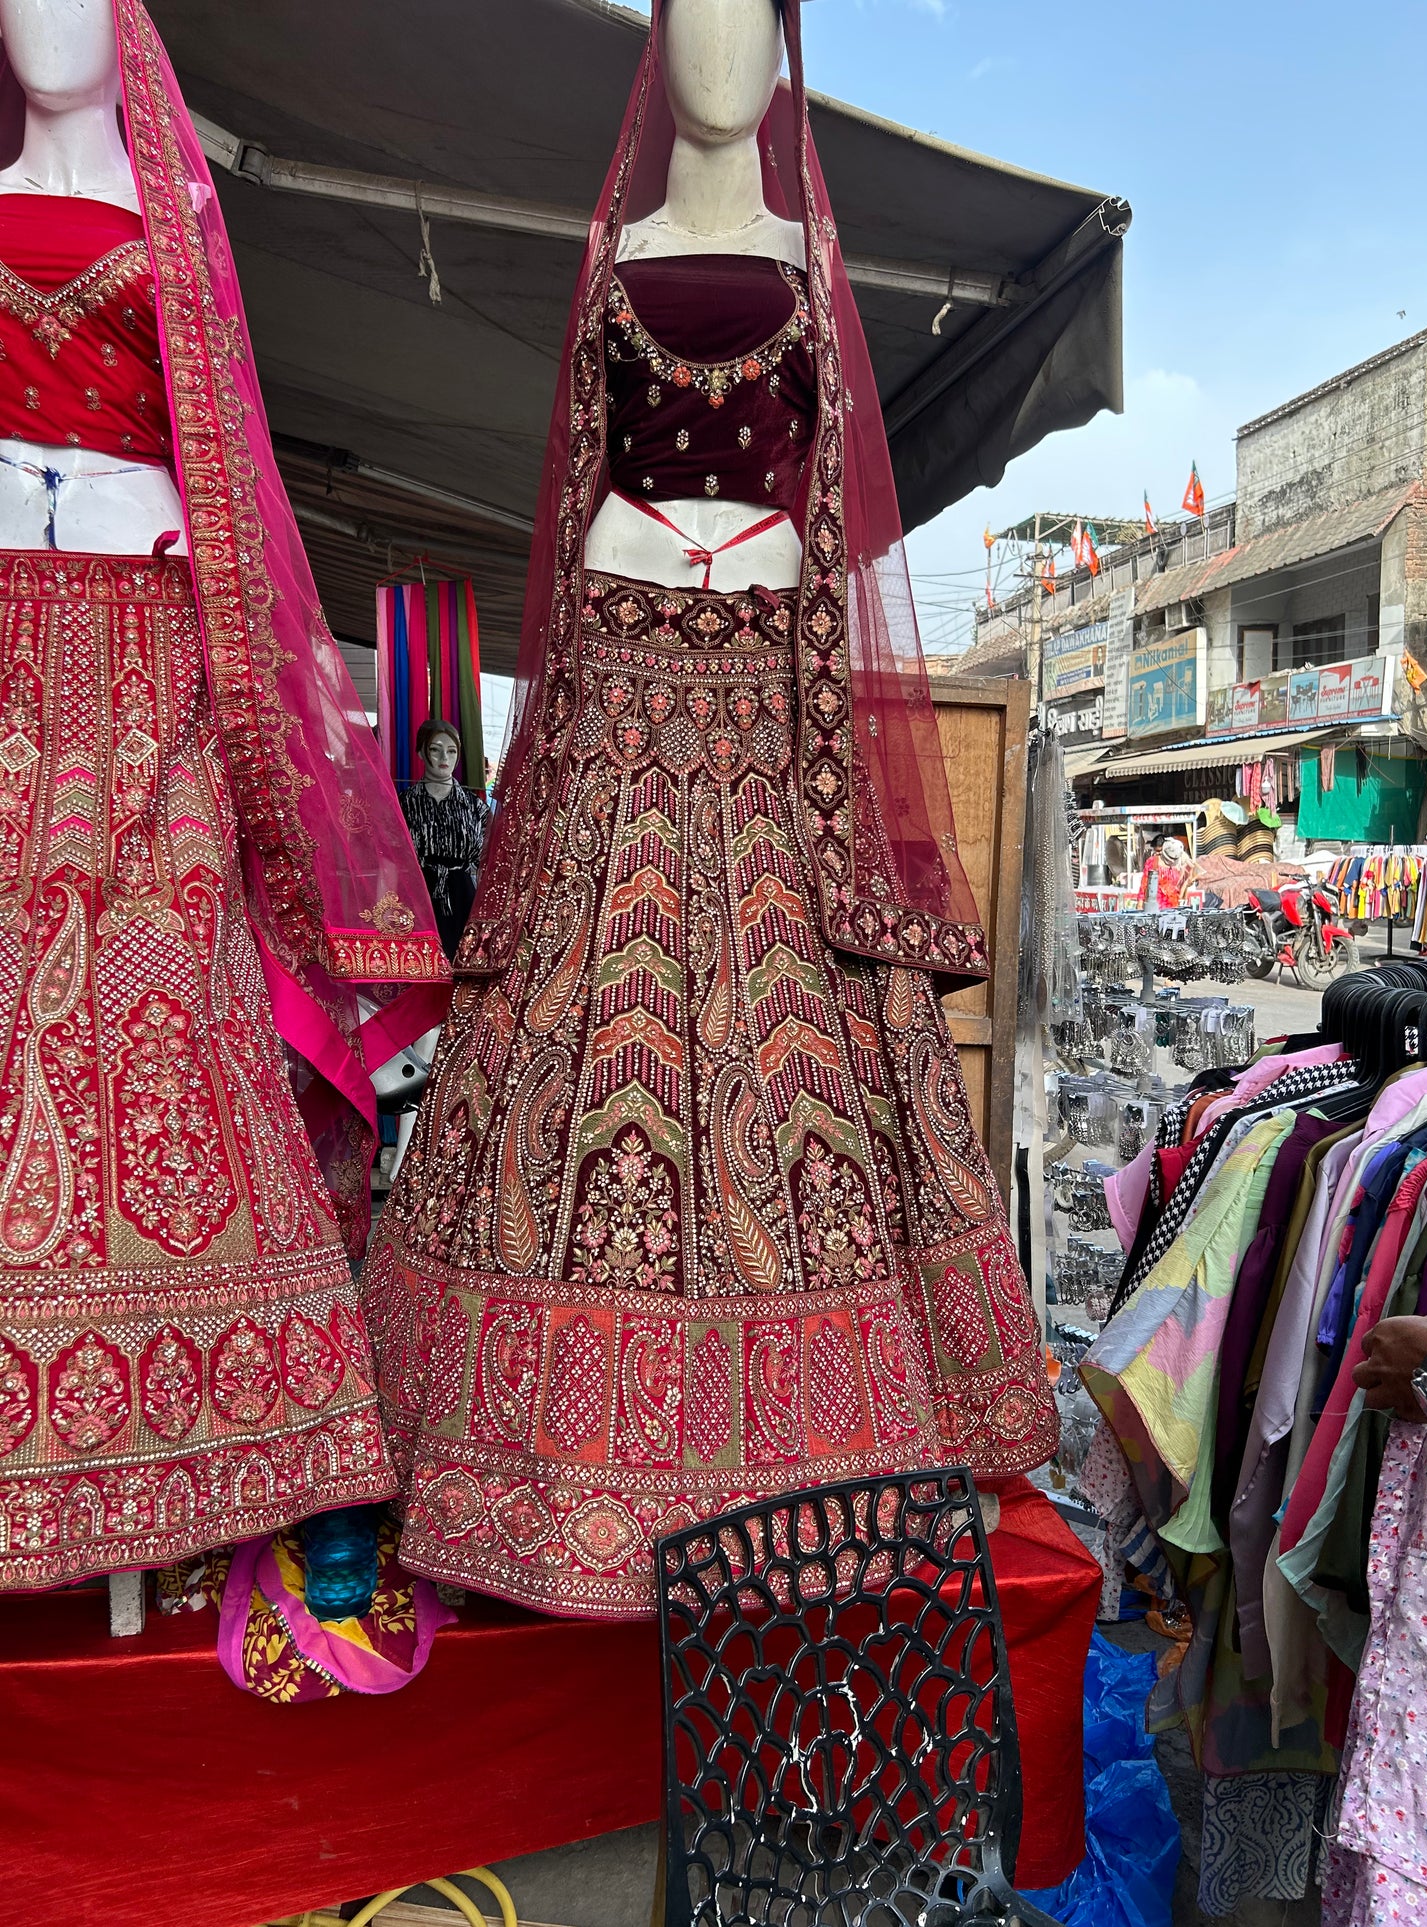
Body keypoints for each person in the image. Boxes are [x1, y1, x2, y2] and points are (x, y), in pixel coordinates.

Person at [360, 0, 1057, 1619]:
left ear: (786, 58)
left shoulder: (815, 265)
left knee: (790, 1042)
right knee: (582, 1027)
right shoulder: (616, 260)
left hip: (760, 680)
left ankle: (831, 1453)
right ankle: (527, 1469)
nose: (719, 59)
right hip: (618, 660)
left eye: (751, 28)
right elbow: (572, 500)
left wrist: (831, 761)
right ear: (659, 51)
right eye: (695, 23)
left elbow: (831, 508)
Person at [0, 0, 447, 1592]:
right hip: (5, 653)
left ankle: (287, 1430)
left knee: (177, 1020)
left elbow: (230, 463)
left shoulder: (177, 229)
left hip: (147, 654)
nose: (46, 26)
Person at [400, 720, 492, 960]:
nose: (444, 757)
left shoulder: (476, 809)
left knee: (461, 966)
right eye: (435, 749)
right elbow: (390, 862)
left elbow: (487, 865)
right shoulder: (403, 805)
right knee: (417, 965)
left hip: (463, 900)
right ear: (421, 752)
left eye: (451, 751)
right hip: (416, 899)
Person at [1136, 835, 1197, 909]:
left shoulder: (1178, 864)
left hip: (1173, 908)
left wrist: (1187, 884)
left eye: (1159, 851)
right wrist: (1140, 904)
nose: (1158, 853)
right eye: (1156, 851)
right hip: (1155, 908)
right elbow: (1144, 885)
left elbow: (1180, 892)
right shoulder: (1153, 862)